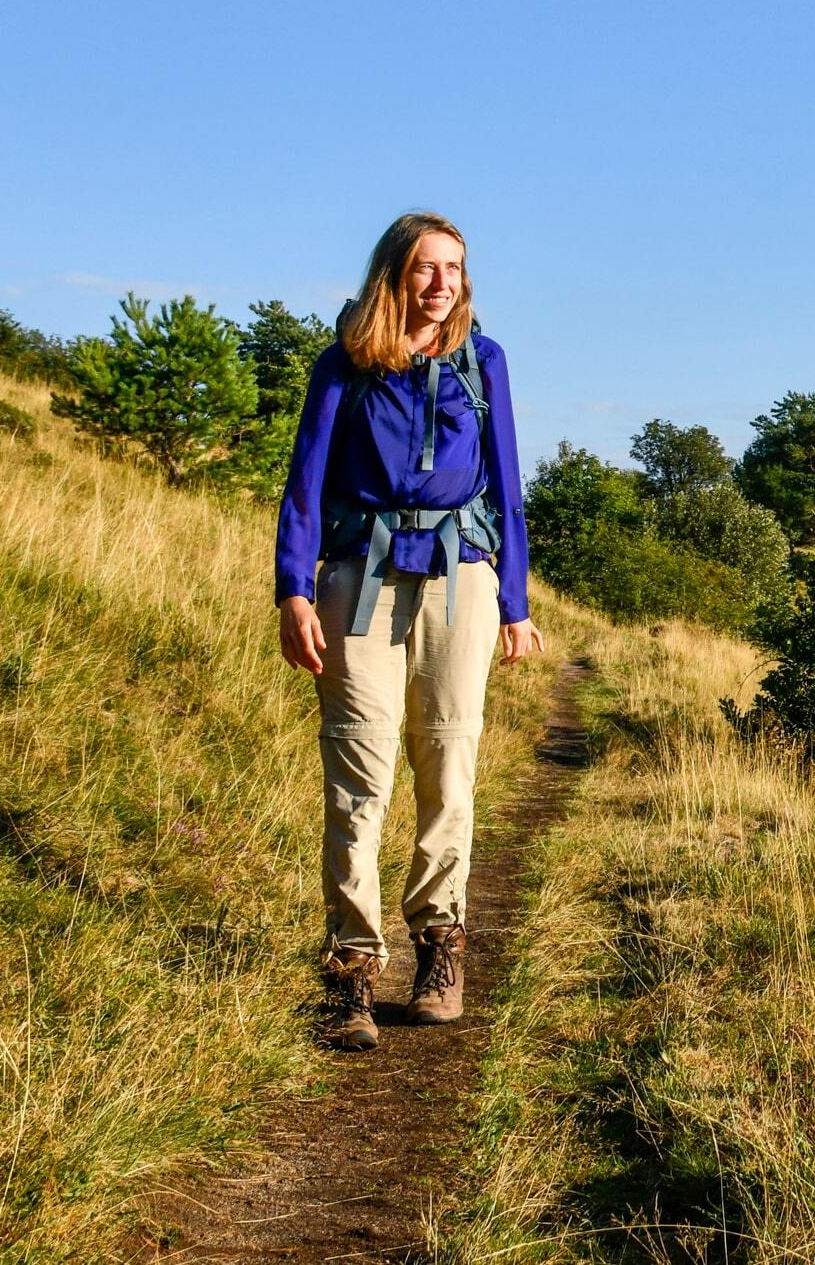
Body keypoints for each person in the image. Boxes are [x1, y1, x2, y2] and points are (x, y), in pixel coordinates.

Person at [273, 210, 542, 1050]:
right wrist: (294, 589)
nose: (442, 284)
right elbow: (305, 484)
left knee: (448, 762)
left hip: (461, 579)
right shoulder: (346, 364)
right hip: (359, 578)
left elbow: (507, 486)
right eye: (427, 268)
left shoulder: (483, 362)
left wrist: (516, 602)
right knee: (358, 773)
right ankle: (353, 967)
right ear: (394, 273)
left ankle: (439, 948)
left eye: (454, 268)